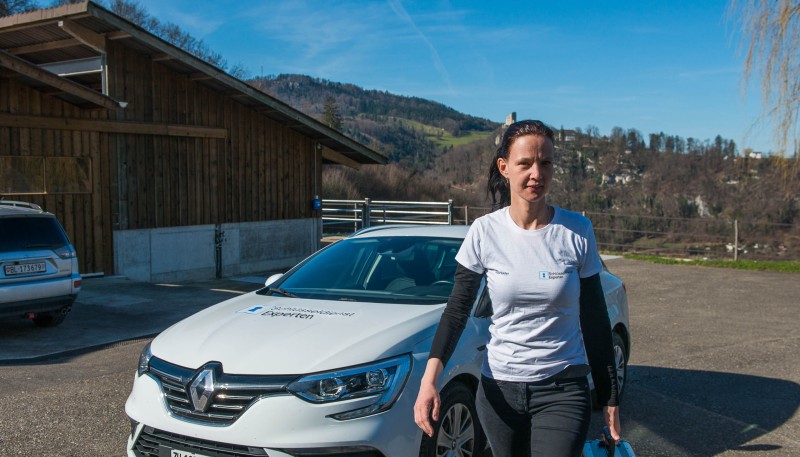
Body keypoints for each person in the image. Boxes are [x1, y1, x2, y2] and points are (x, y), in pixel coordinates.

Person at [413, 120, 621, 457]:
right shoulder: (484, 232)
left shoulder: (577, 231)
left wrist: (609, 395)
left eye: (546, 163)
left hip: (563, 388)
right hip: (500, 391)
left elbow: (594, 317)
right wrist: (429, 380)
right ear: (505, 167)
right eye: (525, 163)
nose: (537, 173)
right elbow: (457, 310)